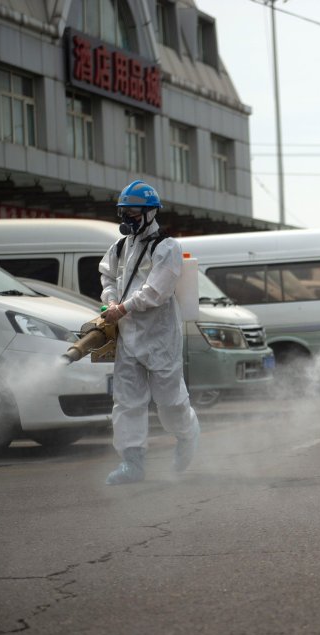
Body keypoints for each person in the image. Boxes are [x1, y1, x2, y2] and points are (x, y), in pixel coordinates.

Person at [98, 180, 200, 485]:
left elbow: (157, 291)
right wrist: (110, 300)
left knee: (169, 402)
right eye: (123, 211)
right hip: (128, 336)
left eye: (133, 212)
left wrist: (123, 308)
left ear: (150, 213)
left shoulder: (167, 247)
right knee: (127, 400)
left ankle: (188, 434)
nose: (127, 218)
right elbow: (107, 277)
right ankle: (133, 463)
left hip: (160, 337)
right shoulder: (118, 247)